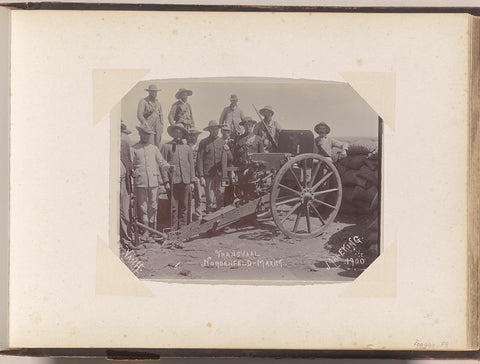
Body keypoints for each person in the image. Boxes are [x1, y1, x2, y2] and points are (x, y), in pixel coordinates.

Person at [131, 124, 172, 240]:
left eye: (148, 134)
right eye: (144, 134)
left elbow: (161, 162)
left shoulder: (154, 149)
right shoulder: (134, 148)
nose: (146, 136)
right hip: (140, 183)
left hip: (153, 182)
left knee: (153, 206)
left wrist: (169, 167)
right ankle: (145, 231)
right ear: (139, 134)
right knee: (143, 208)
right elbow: (131, 166)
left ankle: (153, 230)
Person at [160, 124, 195, 230]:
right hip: (173, 182)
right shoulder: (166, 147)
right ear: (173, 133)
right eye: (176, 132)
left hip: (185, 181)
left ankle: (183, 228)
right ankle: (174, 228)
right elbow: (162, 165)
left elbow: (191, 165)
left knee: (184, 206)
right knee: (174, 207)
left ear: (183, 134)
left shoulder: (187, 148)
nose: (178, 134)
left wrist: (192, 181)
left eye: (180, 133)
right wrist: (166, 181)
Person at [197, 120, 232, 214]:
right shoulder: (203, 142)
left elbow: (230, 159)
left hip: (220, 174)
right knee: (209, 198)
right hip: (208, 174)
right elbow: (199, 159)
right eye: (212, 129)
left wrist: (228, 151)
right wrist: (201, 176)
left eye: (216, 129)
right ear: (209, 130)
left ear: (219, 130)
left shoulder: (222, 142)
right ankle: (209, 217)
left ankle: (219, 218)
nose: (214, 131)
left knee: (220, 196)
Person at [137, 84, 164, 148]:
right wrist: (145, 123)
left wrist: (161, 126)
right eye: (153, 91)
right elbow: (139, 115)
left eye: (155, 91)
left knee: (157, 144)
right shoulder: (143, 101)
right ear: (149, 92)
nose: (154, 93)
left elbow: (161, 115)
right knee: (149, 144)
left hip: (157, 126)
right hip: (148, 125)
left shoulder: (158, 103)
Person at [120, 122, 133, 246]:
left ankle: (126, 239)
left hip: (124, 182)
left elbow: (129, 161)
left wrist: (133, 171)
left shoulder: (124, 144)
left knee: (125, 212)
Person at [187, 127, 204, 221]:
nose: (194, 137)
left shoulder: (200, 146)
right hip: (189, 175)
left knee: (199, 196)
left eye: (196, 135)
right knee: (189, 197)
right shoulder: (186, 146)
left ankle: (198, 215)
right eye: (192, 135)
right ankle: (188, 217)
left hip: (198, 174)